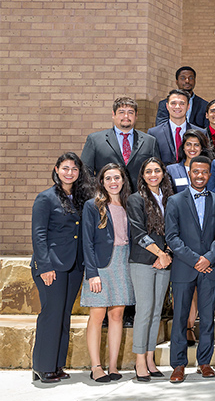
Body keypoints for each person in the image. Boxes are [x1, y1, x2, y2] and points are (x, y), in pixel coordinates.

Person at [31, 152, 94, 383]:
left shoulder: (78, 198)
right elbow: (38, 235)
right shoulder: (45, 198)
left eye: (74, 169)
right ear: (56, 169)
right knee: (51, 314)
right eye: (65, 168)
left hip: (73, 265)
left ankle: (56, 364)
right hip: (52, 266)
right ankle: (42, 366)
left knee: (64, 315)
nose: (70, 173)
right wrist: (45, 265)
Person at [164, 156, 215, 383]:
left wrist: (208, 258)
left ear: (209, 175)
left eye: (204, 172)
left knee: (208, 317)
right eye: (196, 171)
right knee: (180, 317)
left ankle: (204, 362)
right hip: (184, 267)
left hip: (209, 268)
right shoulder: (175, 201)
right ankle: (178, 365)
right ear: (189, 172)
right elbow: (172, 236)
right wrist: (194, 259)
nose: (200, 175)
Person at [80, 164, 135, 383]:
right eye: (108, 178)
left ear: (123, 180)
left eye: (117, 178)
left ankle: (113, 366)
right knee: (97, 315)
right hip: (101, 266)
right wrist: (92, 273)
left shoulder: (129, 205)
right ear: (102, 182)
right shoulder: (92, 206)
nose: (113, 182)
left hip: (123, 263)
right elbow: (87, 242)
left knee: (117, 315)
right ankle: (96, 366)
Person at [126, 158, 175, 381]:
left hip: (164, 261)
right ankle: (139, 362)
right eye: (148, 171)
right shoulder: (136, 200)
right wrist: (161, 254)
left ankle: (150, 358)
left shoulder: (170, 199)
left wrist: (167, 254)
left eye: (157, 171)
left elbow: (175, 230)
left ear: (163, 173)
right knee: (144, 310)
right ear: (143, 176)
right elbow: (137, 233)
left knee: (156, 312)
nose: (153, 174)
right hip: (143, 261)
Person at [81, 96, 161, 182]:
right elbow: (85, 172)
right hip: (106, 193)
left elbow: (157, 171)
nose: (126, 116)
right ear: (113, 114)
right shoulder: (95, 140)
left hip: (140, 194)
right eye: (121, 112)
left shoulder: (150, 141)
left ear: (136, 115)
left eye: (130, 112)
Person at [148, 89, 202, 165]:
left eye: (182, 103)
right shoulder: (154, 133)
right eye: (173, 103)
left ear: (188, 106)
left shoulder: (200, 133)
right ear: (167, 106)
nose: (177, 107)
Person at [166, 129, 209, 193]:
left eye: (196, 145)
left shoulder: (210, 169)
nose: (192, 148)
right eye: (188, 144)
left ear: (201, 148)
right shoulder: (171, 170)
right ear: (183, 147)